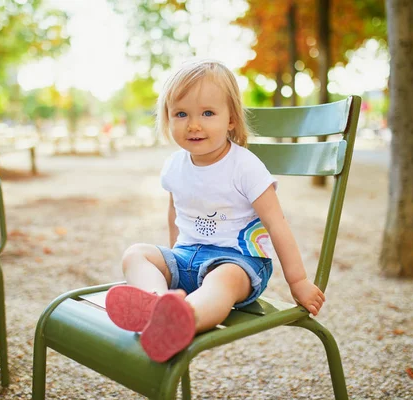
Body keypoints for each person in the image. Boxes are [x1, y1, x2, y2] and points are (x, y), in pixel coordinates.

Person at [105, 59, 325, 363]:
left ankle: (185, 318)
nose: (194, 124)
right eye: (181, 114)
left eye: (208, 113)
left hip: (238, 262)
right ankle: (157, 305)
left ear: (231, 119)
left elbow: (277, 224)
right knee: (136, 253)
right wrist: (171, 265)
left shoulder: (245, 166)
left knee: (222, 282)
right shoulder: (174, 165)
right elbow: (175, 215)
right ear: (167, 118)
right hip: (187, 257)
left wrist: (297, 281)